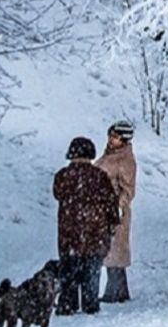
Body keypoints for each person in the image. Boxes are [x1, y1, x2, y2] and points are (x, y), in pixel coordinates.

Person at [52, 136, 118, 315]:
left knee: (69, 269)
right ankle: (90, 303)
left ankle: (68, 303)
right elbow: (111, 203)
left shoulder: (63, 176)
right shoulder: (100, 176)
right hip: (95, 234)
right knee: (91, 270)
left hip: (69, 235)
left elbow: (57, 194)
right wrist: (113, 223)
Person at [95, 121, 136, 303]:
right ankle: (119, 290)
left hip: (115, 212)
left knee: (114, 252)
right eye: (110, 135)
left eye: (115, 136)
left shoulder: (125, 160)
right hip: (105, 211)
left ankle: (114, 291)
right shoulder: (109, 155)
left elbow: (128, 189)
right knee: (112, 252)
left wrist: (117, 207)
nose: (111, 139)